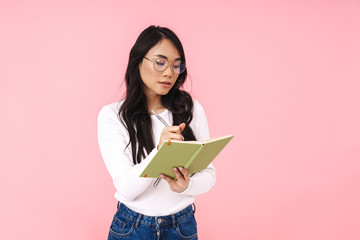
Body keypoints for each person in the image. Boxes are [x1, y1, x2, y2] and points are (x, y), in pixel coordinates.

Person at [97, 25, 216, 240]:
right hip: (132, 227)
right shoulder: (112, 116)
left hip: (182, 226)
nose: (169, 72)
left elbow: (209, 175)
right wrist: (160, 152)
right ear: (138, 61)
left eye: (176, 65)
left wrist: (187, 185)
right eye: (160, 62)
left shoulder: (191, 109)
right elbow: (126, 188)